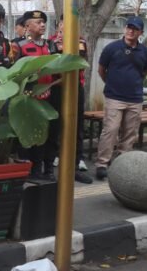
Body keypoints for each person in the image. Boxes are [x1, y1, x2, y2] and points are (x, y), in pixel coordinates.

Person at [94, 16, 147, 180]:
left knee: (130, 132)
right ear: (125, 29)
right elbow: (101, 70)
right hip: (115, 97)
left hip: (135, 98)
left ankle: (122, 160)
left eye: (134, 28)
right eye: (128, 27)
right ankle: (102, 163)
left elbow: (145, 71)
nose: (130, 31)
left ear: (141, 32)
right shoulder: (112, 48)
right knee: (110, 129)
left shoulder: (144, 51)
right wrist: (112, 83)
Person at [11, 10, 59, 181]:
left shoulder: (50, 45)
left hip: (48, 97)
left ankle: (41, 168)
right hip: (27, 97)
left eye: (43, 22)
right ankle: (25, 168)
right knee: (26, 132)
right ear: (27, 26)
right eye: (38, 23)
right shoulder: (19, 46)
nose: (42, 25)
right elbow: (14, 73)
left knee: (46, 133)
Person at [50, 15, 93, 184]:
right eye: (63, 23)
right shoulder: (51, 41)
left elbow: (79, 59)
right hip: (56, 87)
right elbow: (54, 61)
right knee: (54, 124)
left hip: (75, 87)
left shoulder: (80, 40)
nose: (66, 26)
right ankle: (53, 157)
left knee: (77, 124)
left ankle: (77, 160)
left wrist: (67, 44)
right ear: (59, 24)